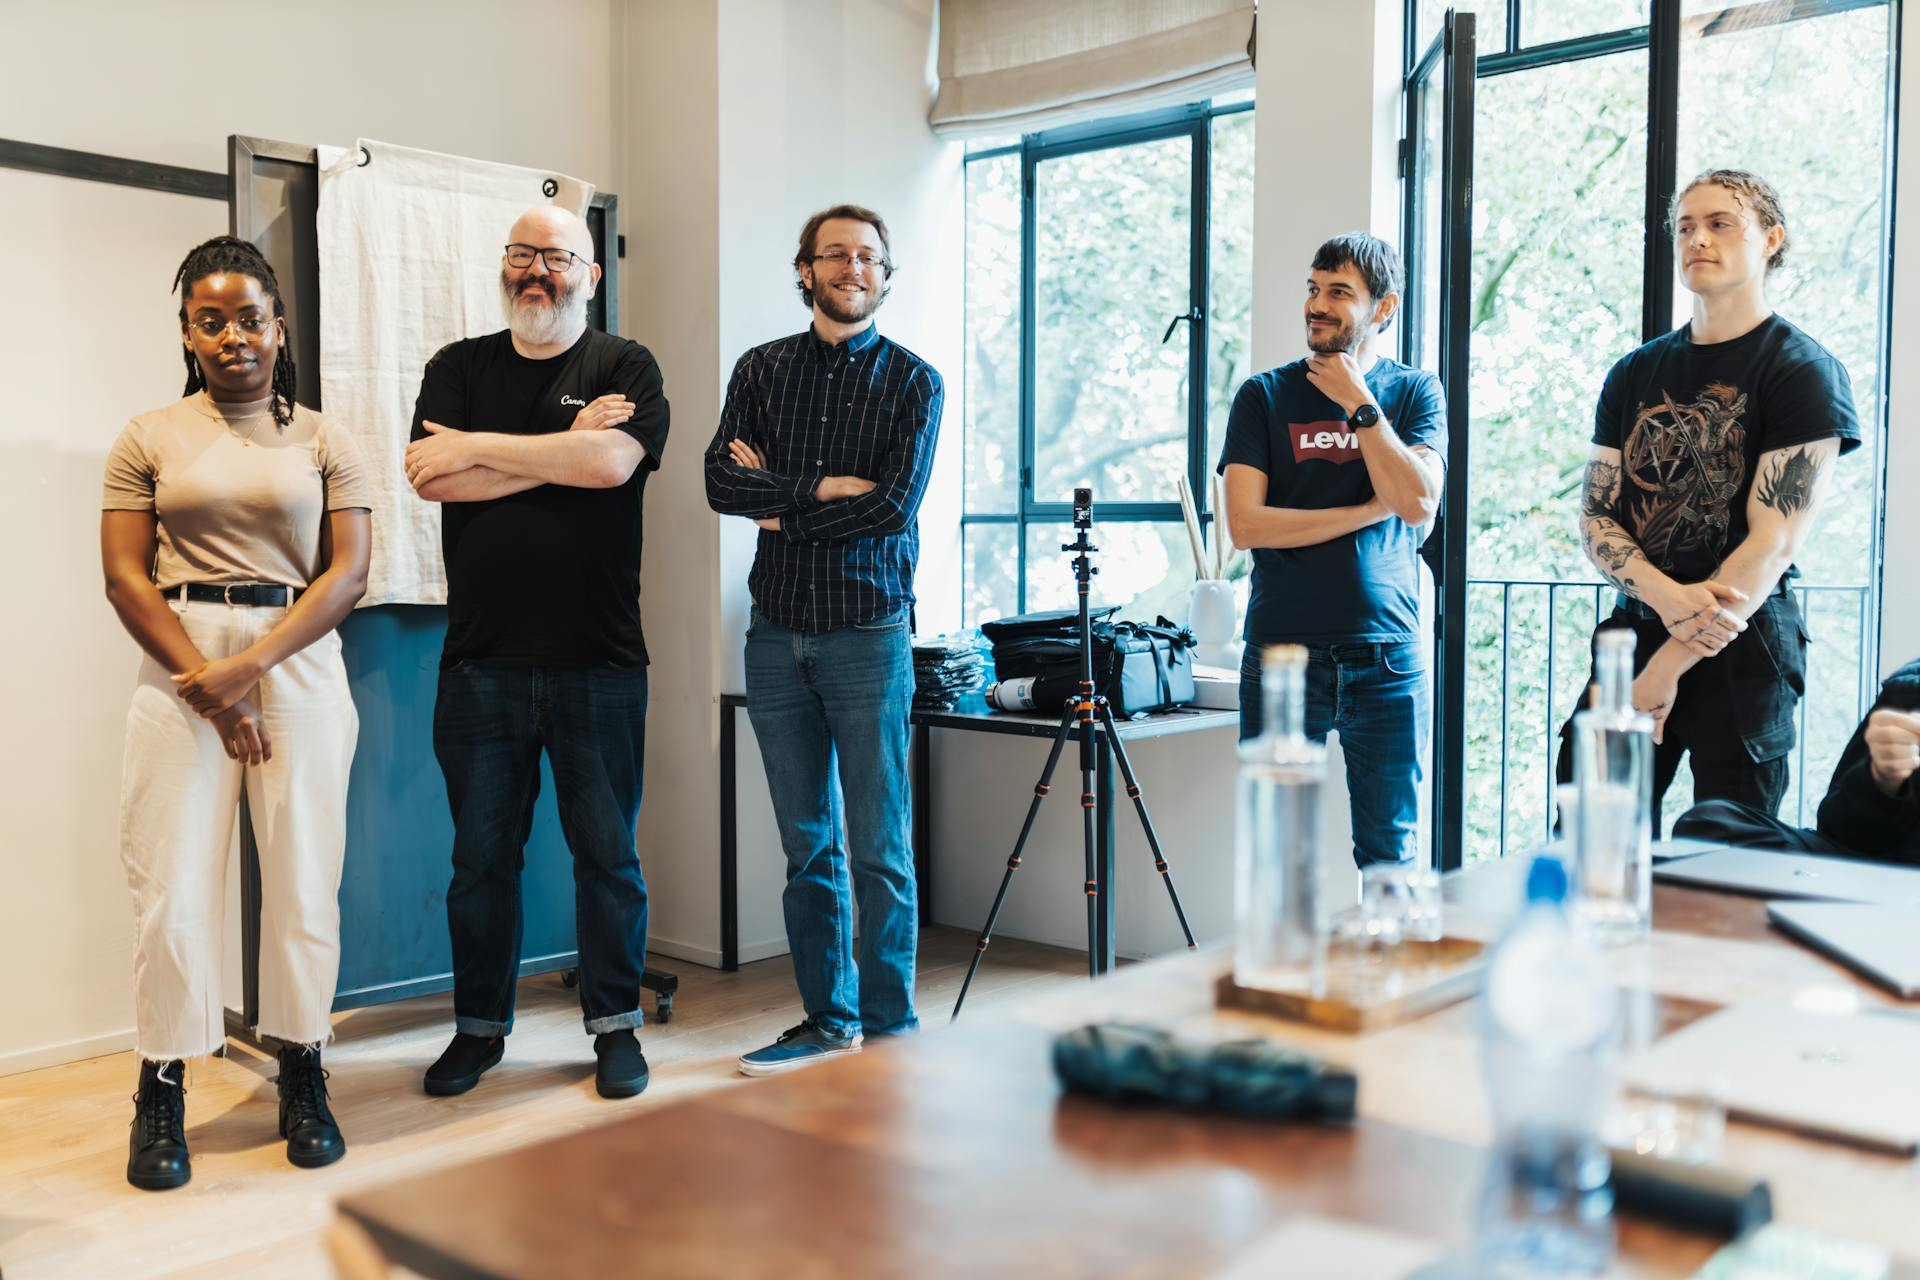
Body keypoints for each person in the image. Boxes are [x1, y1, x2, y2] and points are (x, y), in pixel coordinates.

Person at [103, 235, 372, 1190]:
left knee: (304, 877)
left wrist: (250, 670)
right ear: (186, 333)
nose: (232, 336)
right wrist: (208, 685)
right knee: (171, 888)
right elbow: (125, 578)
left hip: (296, 659)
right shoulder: (149, 435)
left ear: (278, 323)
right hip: (177, 665)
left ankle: (303, 1064)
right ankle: (165, 1077)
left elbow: (347, 575)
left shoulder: (327, 439)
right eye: (208, 321)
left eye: (249, 317)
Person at [405, 207, 669, 1100]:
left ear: (588, 274)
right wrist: (560, 446)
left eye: (555, 257)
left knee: (609, 859)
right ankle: (478, 1030)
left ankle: (614, 1030)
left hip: (599, 659)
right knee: (480, 862)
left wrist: (481, 446)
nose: (536, 272)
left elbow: (607, 468)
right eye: (521, 255)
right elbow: (430, 476)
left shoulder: (624, 366)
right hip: (482, 662)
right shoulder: (458, 366)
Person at [704, 204, 943, 1074]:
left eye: (869, 257)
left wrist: (782, 504)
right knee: (809, 844)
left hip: (868, 637)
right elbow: (718, 482)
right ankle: (826, 1020)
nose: (853, 267)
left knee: (879, 847)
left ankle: (888, 1030)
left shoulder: (916, 383)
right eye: (835, 255)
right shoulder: (761, 371)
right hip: (775, 638)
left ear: (887, 276)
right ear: (804, 270)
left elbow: (892, 508)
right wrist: (825, 487)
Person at [1560, 169, 1860, 828]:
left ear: (1770, 240)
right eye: (1686, 226)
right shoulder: (1634, 371)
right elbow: (1596, 516)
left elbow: (1773, 540)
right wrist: (1664, 601)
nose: (1698, 238)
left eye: (1721, 223)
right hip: (1634, 630)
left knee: (1728, 865)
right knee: (1587, 837)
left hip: (1743, 646)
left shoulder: (1802, 370)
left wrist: (1667, 665)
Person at [1217, 232, 1446, 867]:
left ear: (1383, 308)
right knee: (1275, 850)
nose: (1317, 305)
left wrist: (1359, 404)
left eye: (1339, 293)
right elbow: (1245, 526)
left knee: (1391, 852)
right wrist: (1369, 508)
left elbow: (1419, 503)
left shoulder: (1414, 393)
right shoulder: (1263, 396)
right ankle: (1281, 971)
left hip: (1389, 660)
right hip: (1282, 659)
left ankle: (1386, 969)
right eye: (1313, 290)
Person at [1674, 658, 1920, 859]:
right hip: (1878, 873)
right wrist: (1881, 779)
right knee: (1707, 825)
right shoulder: (1909, 692)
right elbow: (1838, 832)